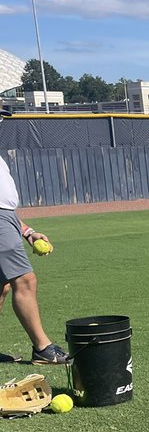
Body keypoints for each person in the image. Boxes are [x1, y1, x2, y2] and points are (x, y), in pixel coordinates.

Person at [0, 111, 70, 364]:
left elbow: (4, 204)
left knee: (3, 286)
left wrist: (27, 231)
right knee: (25, 280)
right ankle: (42, 348)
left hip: (6, 219)